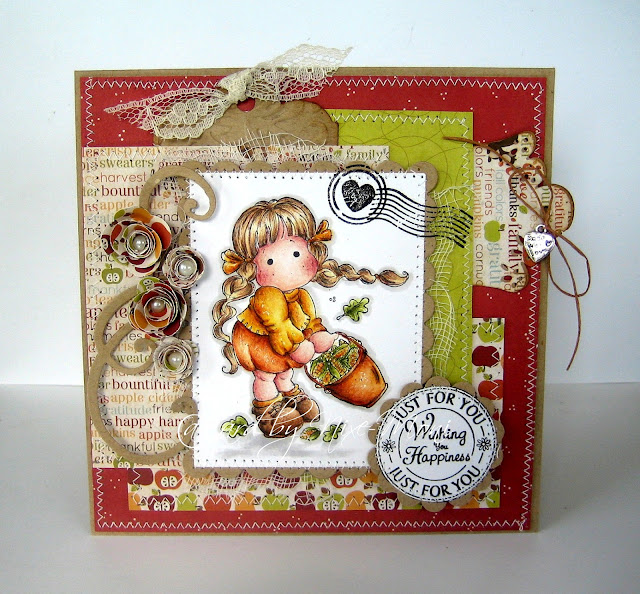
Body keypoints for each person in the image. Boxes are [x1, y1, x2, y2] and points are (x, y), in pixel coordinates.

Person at [213, 197, 407, 437]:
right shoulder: (268, 296)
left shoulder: (302, 296)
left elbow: (309, 321)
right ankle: (268, 411)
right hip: (259, 342)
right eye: (271, 260)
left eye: (297, 252)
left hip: (283, 345)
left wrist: (318, 335)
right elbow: (280, 328)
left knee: (284, 373)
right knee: (266, 376)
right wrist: (297, 346)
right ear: (252, 267)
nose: (290, 266)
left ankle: (291, 397)